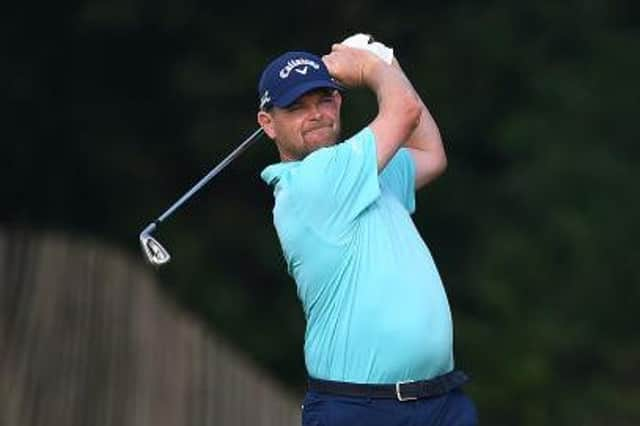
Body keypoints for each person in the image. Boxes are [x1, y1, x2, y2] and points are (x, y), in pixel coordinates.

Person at [257, 38, 478, 426]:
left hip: (441, 402)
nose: (316, 114)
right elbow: (404, 111)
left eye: (324, 99)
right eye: (295, 107)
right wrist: (372, 67)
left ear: (339, 103)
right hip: (360, 409)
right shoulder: (311, 183)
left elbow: (430, 154)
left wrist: (385, 62)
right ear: (268, 124)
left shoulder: (360, 173)